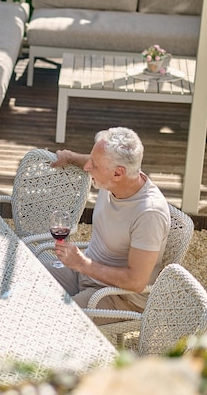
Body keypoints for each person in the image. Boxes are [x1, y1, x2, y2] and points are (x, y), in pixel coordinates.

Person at [49, 127, 170, 325]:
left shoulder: (149, 214)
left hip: (118, 296)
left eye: (94, 165)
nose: (87, 167)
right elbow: (92, 160)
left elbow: (136, 281)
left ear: (118, 173)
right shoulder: (117, 178)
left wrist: (81, 263)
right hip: (85, 272)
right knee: (28, 280)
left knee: (56, 322)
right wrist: (69, 157)